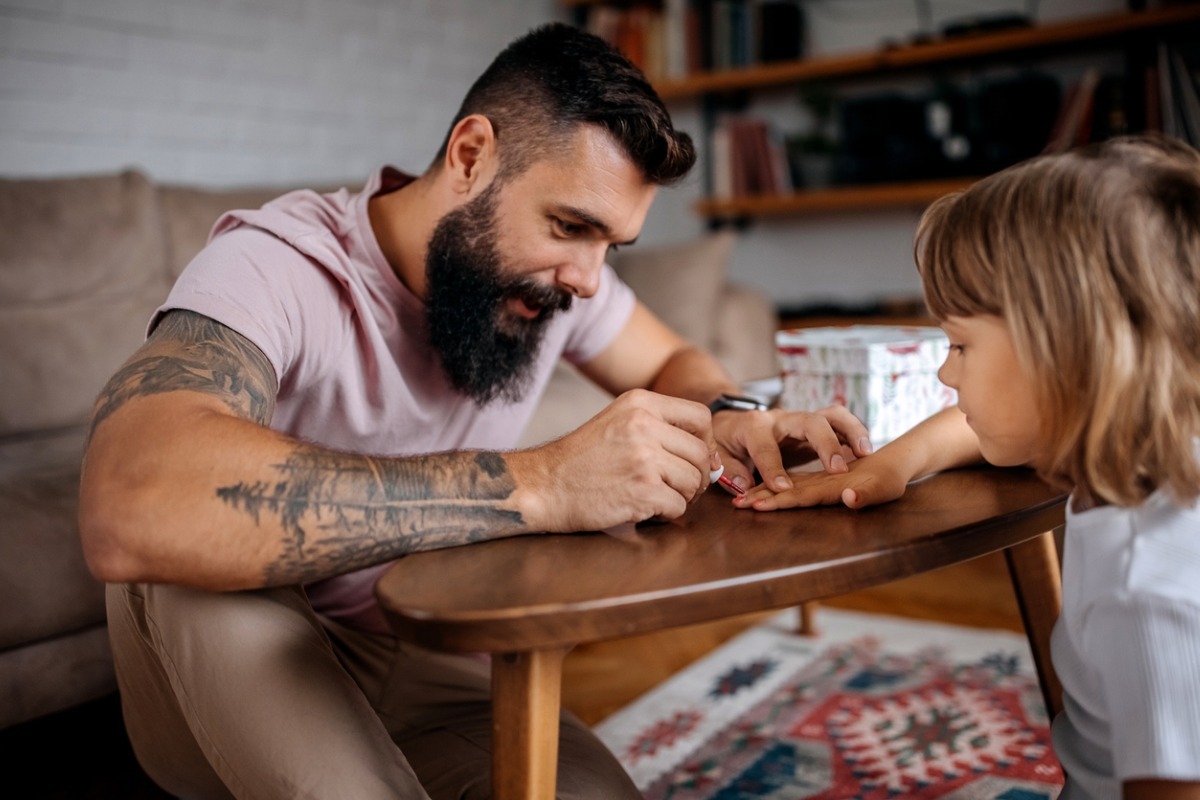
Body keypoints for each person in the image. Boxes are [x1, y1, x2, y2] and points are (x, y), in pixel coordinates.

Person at [78, 22, 871, 800]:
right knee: (188, 542)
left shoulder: (552, 285)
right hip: (243, 661)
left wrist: (726, 413)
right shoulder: (275, 264)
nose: (590, 281)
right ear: (470, 156)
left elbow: (673, 361)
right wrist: (539, 485)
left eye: (613, 246)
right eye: (571, 226)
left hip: (431, 663)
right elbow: (132, 493)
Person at [738, 135, 1200, 800]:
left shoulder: (1150, 594)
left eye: (959, 344)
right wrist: (890, 466)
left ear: (1067, 356)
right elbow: (969, 430)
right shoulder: (1147, 452)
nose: (943, 370)